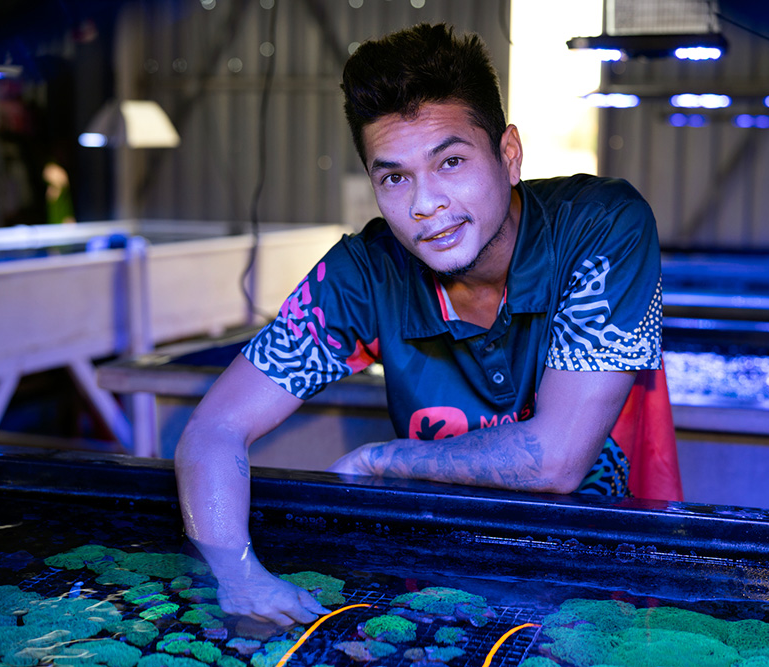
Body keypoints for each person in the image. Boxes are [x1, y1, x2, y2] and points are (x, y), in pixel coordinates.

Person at [174, 22, 681, 628]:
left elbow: (556, 462)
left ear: (509, 155)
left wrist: (381, 460)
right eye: (394, 177)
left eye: (451, 162)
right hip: (442, 588)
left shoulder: (601, 228)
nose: (423, 203)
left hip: (609, 575)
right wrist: (239, 576)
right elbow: (214, 429)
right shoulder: (365, 273)